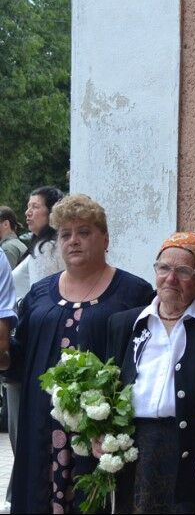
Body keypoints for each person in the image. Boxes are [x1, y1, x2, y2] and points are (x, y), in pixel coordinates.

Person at [0, 194, 154, 514]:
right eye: (65, 234)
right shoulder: (39, 295)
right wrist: (3, 358)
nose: (73, 241)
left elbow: (144, 365)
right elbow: (20, 358)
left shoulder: (133, 294)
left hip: (100, 438)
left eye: (84, 232)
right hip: (41, 431)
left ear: (105, 239)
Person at [106, 231, 195, 514]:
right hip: (136, 448)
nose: (170, 278)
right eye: (163, 268)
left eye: (184, 271)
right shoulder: (125, 324)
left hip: (189, 447)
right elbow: (110, 385)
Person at [0, 187, 65, 513]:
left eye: (34, 206)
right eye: (26, 206)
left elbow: (38, 300)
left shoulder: (50, 248)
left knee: (23, 429)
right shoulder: (36, 246)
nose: (28, 213)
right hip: (22, 345)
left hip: (29, 349)